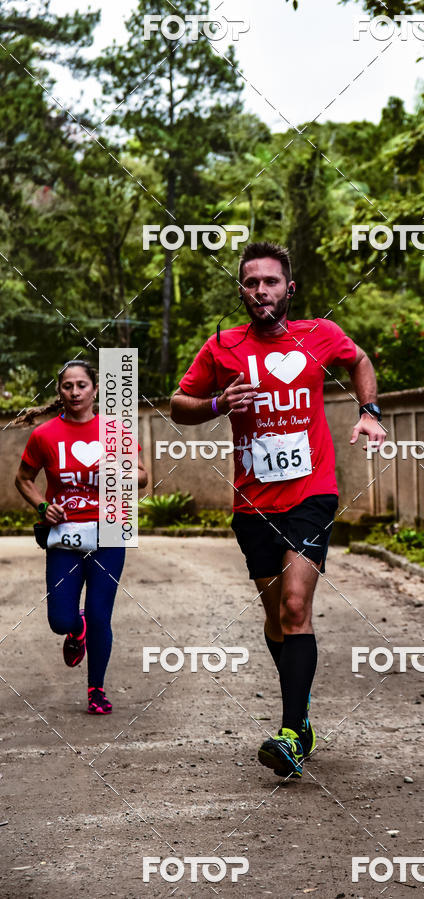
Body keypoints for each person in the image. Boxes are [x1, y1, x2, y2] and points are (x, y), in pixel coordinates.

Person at [171, 241, 385, 778]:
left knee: (295, 607)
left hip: (312, 491)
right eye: (251, 283)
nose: (261, 291)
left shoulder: (319, 334)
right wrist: (221, 403)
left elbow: (358, 358)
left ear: (290, 288)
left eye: (270, 282)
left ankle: (291, 732)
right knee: (275, 617)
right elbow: (179, 404)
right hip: (252, 501)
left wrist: (370, 411)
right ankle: (303, 711)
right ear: (241, 290)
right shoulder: (222, 346)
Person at [14, 360, 147, 714]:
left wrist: (117, 473)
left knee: (101, 614)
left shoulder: (116, 431)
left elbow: (143, 476)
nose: (74, 392)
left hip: (110, 531)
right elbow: (23, 479)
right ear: (60, 391)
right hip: (64, 535)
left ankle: (96, 689)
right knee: (60, 620)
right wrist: (43, 507)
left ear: (95, 389)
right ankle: (77, 628)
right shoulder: (44, 435)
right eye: (68, 386)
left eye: (82, 385)